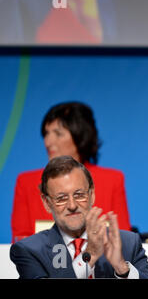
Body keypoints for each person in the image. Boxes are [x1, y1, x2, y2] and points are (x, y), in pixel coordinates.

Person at [10, 156, 148, 279]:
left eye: (79, 195)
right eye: (61, 198)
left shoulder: (127, 243)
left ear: (92, 195)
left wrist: (123, 269)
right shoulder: (29, 251)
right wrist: (89, 256)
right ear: (47, 203)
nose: (72, 205)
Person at [11, 102, 131, 242]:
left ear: (80, 137)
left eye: (58, 134)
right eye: (46, 134)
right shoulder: (26, 182)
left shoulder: (112, 180)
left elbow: (122, 240)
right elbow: (21, 242)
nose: (48, 142)